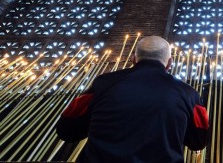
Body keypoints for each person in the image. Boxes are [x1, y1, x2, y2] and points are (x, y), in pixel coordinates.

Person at [56, 36, 209, 163]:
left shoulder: (103, 83)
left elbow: (66, 130)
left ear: (134, 59)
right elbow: (199, 142)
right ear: (169, 63)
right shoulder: (188, 93)